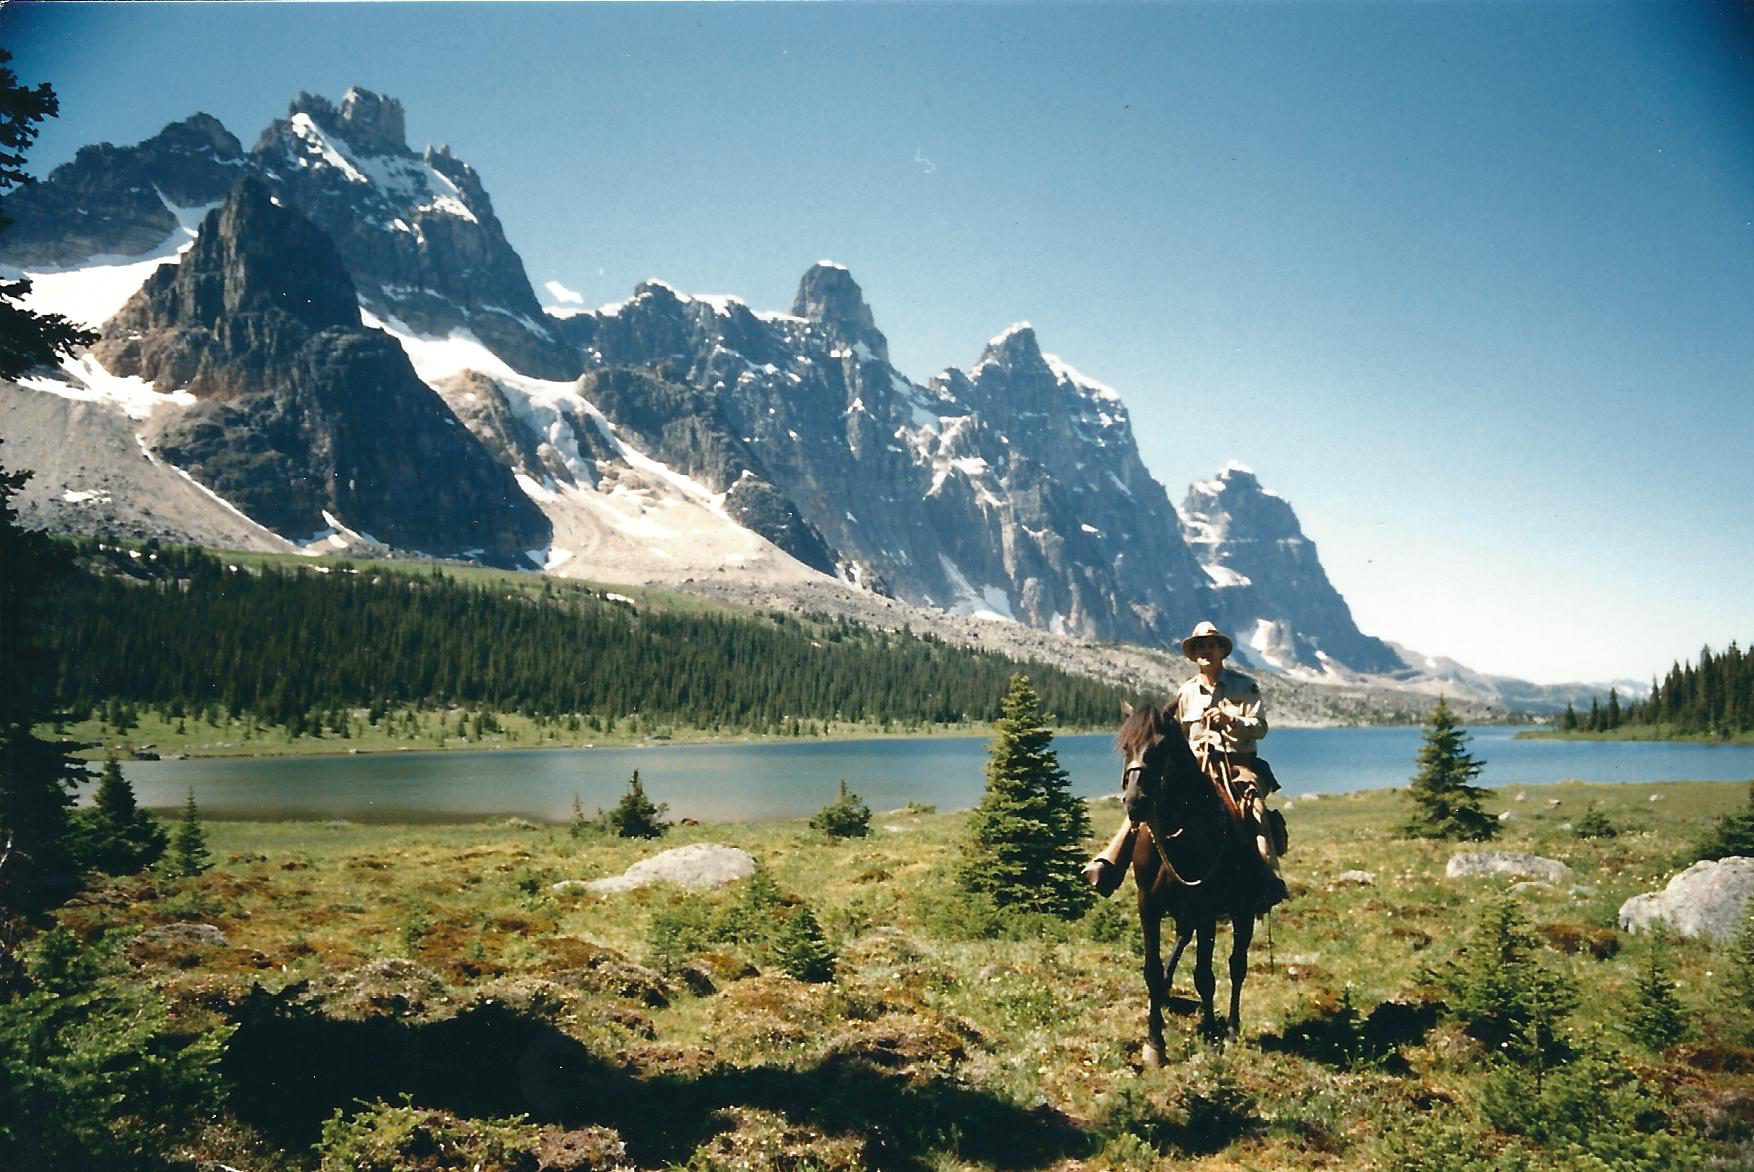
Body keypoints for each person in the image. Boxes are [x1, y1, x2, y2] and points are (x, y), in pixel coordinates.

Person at [1082, 620, 1290, 914]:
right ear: (1194, 655)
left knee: (1252, 807)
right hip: (1197, 767)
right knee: (1146, 802)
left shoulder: (1244, 686)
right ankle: (1110, 862)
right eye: (1200, 647)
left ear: (1221, 650)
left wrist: (1231, 720)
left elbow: (1260, 727)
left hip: (1237, 765)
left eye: (1211, 645)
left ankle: (1268, 877)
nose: (1206, 651)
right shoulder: (1186, 692)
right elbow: (1173, 735)